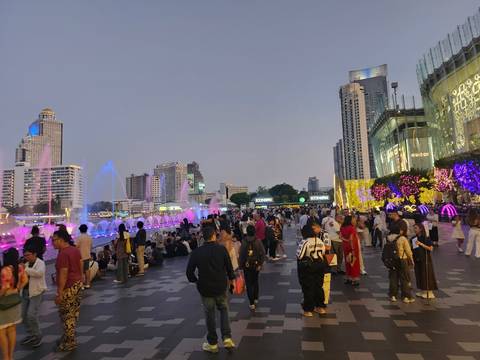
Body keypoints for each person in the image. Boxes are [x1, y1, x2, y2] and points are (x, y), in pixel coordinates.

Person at [186, 226, 236, 354]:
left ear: (203, 237)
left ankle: (212, 344)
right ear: (214, 236)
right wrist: (232, 282)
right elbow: (230, 268)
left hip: (205, 288)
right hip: (220, 286)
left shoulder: (197, 252)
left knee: (210, 315)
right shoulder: (221, 249)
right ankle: (227, 338)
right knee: (224, 310)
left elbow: (189, 272)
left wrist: (196, 281)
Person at [52, 229, 83, 352]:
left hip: (69, 286)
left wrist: (59, 293)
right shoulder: (75, 250)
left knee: (66, 315)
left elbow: (63, 274)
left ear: (61, 240)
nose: (52, 242)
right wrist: (81, 278)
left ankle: (70, 342)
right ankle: (67, 337)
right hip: (78, 284)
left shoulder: (63, 254)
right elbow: (81, 264)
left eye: (54, 240)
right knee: (73, 313)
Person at [0, 248, 27, 360]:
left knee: (1, 331)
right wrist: (17, 288)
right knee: (12, 329)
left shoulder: (5, 270)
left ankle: (6, 357)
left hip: (4, 304)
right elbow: (25, 280)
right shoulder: (20, 268)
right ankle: (11, 356)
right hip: (15, 302)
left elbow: (5, 287)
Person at [296, 220, 328, 317]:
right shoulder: (320, 241)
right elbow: (323, 253)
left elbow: (299, 255)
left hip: (308, 267)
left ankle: (308, 310)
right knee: (319, 286)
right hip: (320, 265)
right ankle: (320, 307)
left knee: (308, 287)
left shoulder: (304, 242)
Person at [21, 246, 47, 348]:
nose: (26, 257)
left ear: (34, 254)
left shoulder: (40, 263)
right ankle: (31, 334)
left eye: (28, 255)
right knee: (23, 315)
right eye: (25, 255)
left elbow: (39, 273)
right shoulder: (26, 264)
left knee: (31, 314)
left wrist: (25, 269)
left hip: (36, 292)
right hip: (25, 292)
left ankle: (37, 335)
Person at [386, 221, 415, 303]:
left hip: (392, 261)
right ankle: (406, 297)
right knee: (404, 278)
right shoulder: (402, 238)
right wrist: (412, 260)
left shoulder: (387, 238)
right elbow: (408, 251)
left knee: (393, 278)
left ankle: (393, 295)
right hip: (402, 260)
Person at [238, 225, 266, 310]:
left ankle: (251, 303)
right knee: (255, 281)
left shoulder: (244, 241)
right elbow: (263, 253)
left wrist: (240, 266)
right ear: (254, 231)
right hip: (256, 265)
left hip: (247, 266)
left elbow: (241, 255)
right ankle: (256, 298)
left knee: (249, 284)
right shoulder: (258, 241)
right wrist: (260, 264)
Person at [411, 223, 437, 299]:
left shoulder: (426, 238)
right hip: (417, 259)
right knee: (419, 274)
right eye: (414, 228)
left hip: (425, 259)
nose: (414, 230)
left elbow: (431, 248)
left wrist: (421, 244)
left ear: (420, 229)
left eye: (416, 228)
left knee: (426, 274)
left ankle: (429, 292)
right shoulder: (414, 238)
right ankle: (422, 290)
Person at [340, 216, 361, 286]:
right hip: (352, 247)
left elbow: (340, 237)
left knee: (347, 262)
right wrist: (353, 249)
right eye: (353, 219)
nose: (354, 220)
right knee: (354, 263)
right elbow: (351, 239)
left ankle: (348, 278)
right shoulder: (351, 228)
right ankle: (354, 279)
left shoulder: (342, 227)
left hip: (345, 246)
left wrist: (345, 240)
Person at [76, 224, 93, 289]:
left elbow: (76, 246)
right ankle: (88, 283)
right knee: (87, 270)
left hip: (80, 257)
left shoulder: (79, 238)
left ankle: (82, 284)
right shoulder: (89, 237)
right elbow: (91, 246)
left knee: (81, 271)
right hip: (87, 255)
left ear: (80, 230)